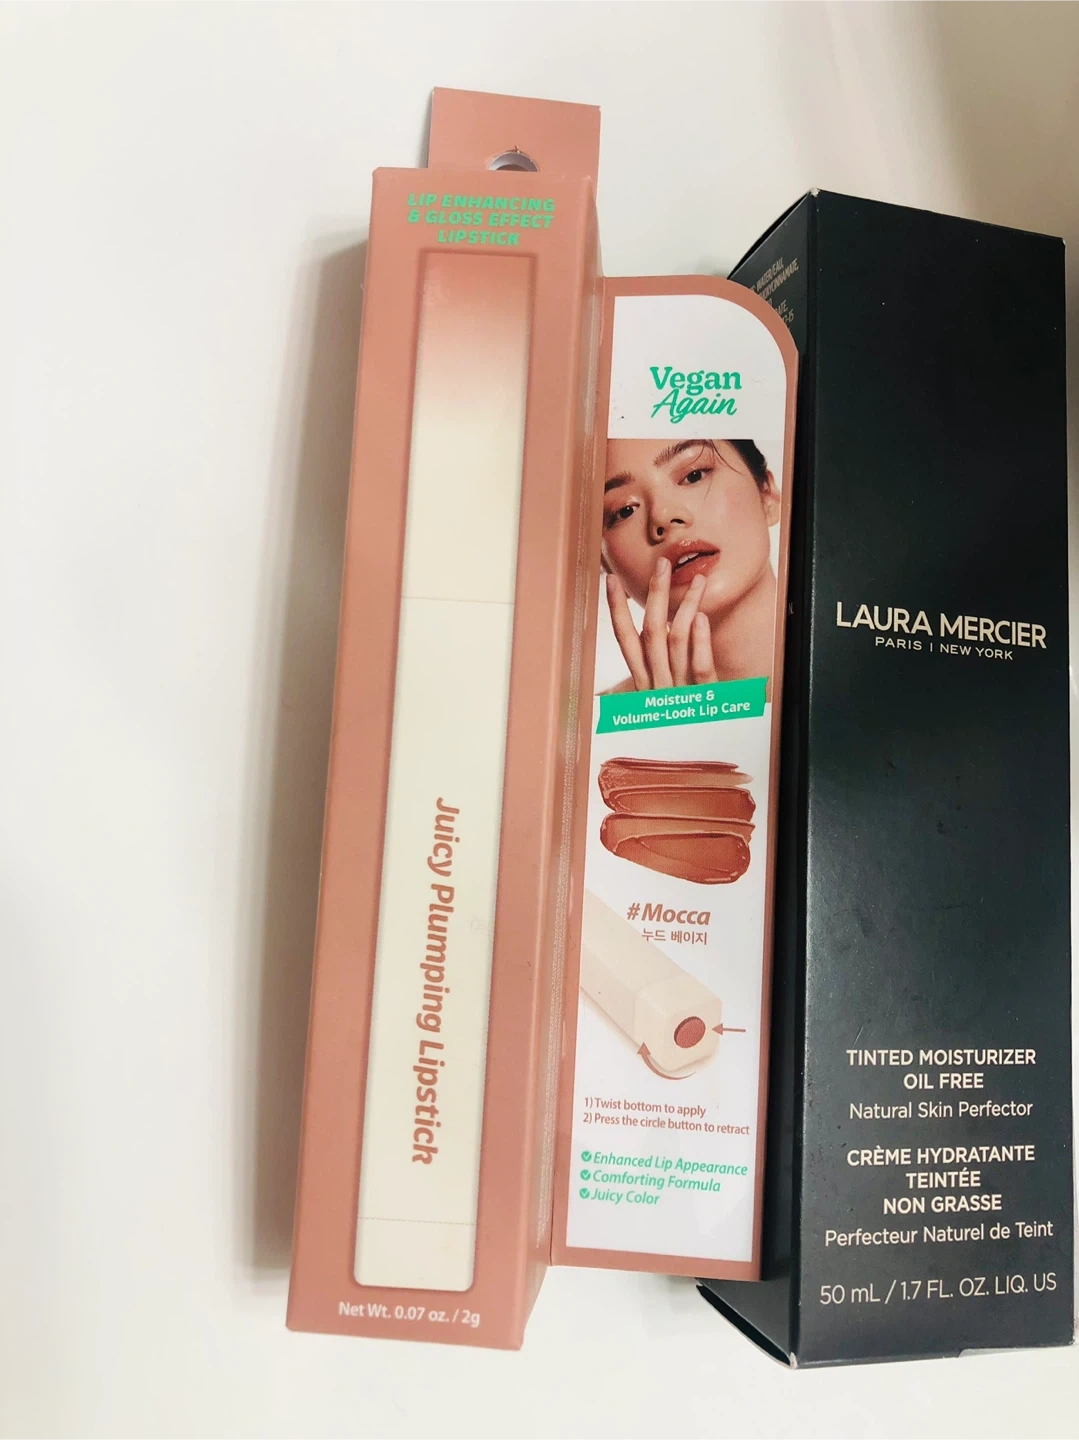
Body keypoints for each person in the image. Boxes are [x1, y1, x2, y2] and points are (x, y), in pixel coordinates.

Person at [601, 437, 780, 692]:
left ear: (767, 495)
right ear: (607, 564)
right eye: (625, 510)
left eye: (694, 476)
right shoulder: (596, 714)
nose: (662, 515)